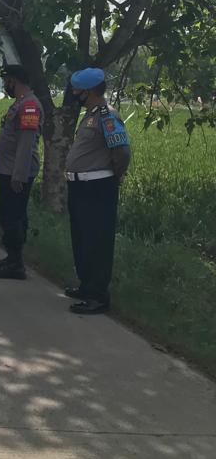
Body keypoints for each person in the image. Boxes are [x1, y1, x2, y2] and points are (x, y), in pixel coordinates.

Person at [64, 68, 131, 315]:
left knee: (97, 241)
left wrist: (114, 177)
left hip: (98, 187)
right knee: (82, 238)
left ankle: (98, 295)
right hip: (80, 186)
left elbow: (121, 152)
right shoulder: (90, 115)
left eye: (77, 90)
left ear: (89, 92)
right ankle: (86, 285)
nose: (73, 93)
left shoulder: (107, 116)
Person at [0, 64, 43, 280]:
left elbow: (26, 143)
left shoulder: (29, 106)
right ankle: (11, 258)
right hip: (9, 170)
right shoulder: (21, 103)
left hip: (16, 173)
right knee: (9, 215)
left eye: (6, 81)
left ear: (14, 81)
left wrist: (18, 175)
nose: (5, 85)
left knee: (14, 217)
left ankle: (16, 264)